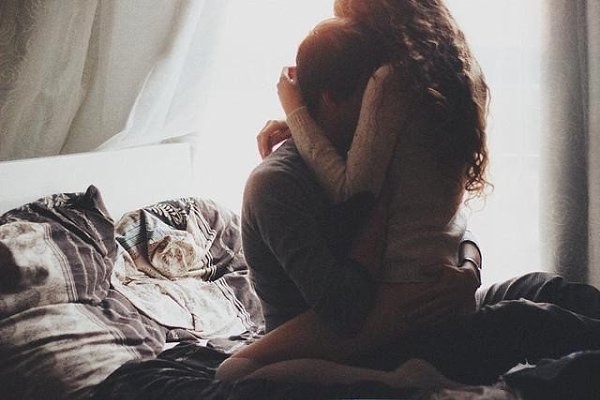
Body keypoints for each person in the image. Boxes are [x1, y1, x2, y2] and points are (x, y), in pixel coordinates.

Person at [216, 0, 600, 389]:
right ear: (333, 97)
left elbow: (438, 216)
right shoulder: (279, 182)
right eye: (368, 94)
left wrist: (469, 269)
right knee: (525, 319)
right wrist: (300, 120)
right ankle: (401, 382)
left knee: (543, 289)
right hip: (351, 327)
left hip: (404, 299)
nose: (378, 110)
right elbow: (345, 308)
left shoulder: (373, 142)